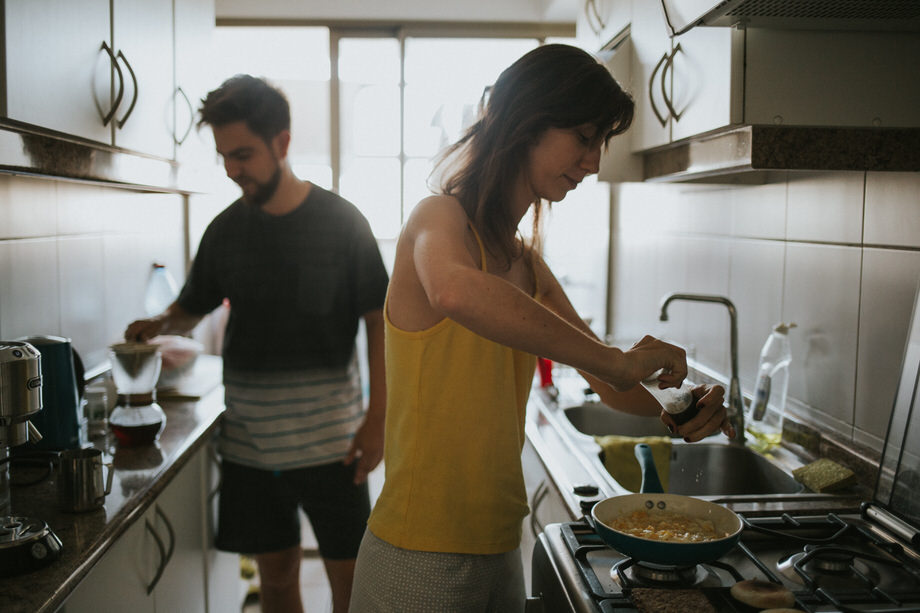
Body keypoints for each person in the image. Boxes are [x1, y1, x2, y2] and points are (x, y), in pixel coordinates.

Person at [348, 44, 731, 612]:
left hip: (501, 543)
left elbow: (609, 382)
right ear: (523, 124)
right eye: (582, 136)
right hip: (418, 550)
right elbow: (454, 290)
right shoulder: (438, 219)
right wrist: (614, 360)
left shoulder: (527, 263)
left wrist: (681, 407)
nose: (595, 160)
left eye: (600, 141)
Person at [125, 75, 389, 613]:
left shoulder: (344, 224)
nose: (231, 170)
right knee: (275, 581)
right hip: (250, 446)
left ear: (283, 143)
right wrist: (157, 323)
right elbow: (192, 306)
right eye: (224, 156)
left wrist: (378, 417)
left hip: (333, 445)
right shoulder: (224, 231)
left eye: (242, 154)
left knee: (352, 584)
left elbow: (378, 322)